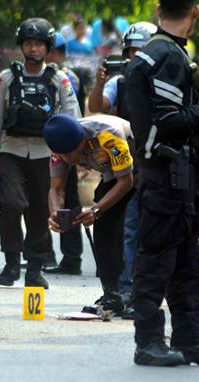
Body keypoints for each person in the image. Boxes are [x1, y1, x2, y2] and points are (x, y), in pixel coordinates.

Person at [126, 0, 199, 367]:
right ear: (196, 11)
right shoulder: (167, 56)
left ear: (158, 9)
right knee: (157, 259)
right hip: (166, 175)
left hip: (178, 177)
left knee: (186, 259)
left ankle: (189, 339)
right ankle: (150, 342)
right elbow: (169, 120)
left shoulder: (158, 53)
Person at [0, 18, 81, 289]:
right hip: (11, 151)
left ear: (47, 47)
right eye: (28, 43)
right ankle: (12, 260)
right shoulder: (7, 77)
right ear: (21, 46)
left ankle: (34, 268)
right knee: (11, 203)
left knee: (38, 211)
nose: (33, 48)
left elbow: (74, 120)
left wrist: (74, 156)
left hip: (46, 154)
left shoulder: (61, 80)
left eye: (38, 44)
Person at [88, 21, 155, 314]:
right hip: (129, 164)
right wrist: (100, 81)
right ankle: (125, 288)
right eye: (131, 52)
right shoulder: (121, 82)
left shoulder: (166, 78)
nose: (135, 57)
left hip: (161, 162)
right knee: (129, 226)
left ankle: (150, 288)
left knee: (156, 228)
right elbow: (97, 107)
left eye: (142, 51)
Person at [45, 114, 135, 315]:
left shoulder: (108, 136)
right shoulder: (58, 148)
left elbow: (127, 181)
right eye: (63, 155)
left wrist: (96, 209)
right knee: (103, 229)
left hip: (138, 168)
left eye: (71, 153)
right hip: (112, 174)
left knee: (134, 225)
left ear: (83, 141)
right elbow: (56, 189)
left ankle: (138, 296)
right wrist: (55, 213)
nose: (68, 160)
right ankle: (112, 294)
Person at [42, 32, 83, 276]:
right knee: (59, 197)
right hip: (59, 142)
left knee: (69, 200)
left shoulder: (65, 77)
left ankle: (72, 256)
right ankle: (64, 255)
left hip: (70, 143)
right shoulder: (62, 75)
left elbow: (70, 109)